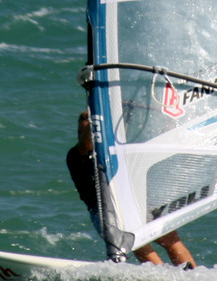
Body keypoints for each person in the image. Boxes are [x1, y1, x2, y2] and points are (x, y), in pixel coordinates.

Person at [67, 109, 196, 268]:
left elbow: (156, 147)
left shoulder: (118, 150)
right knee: (138, 242)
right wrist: (98, 114)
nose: (89, 120)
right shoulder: (75, 155)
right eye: (85, 119)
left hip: (136, 201)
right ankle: (162, 274)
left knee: (171, 239)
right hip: (106, 210)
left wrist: (169, 119)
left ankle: (193, 274)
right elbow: (86, 144)